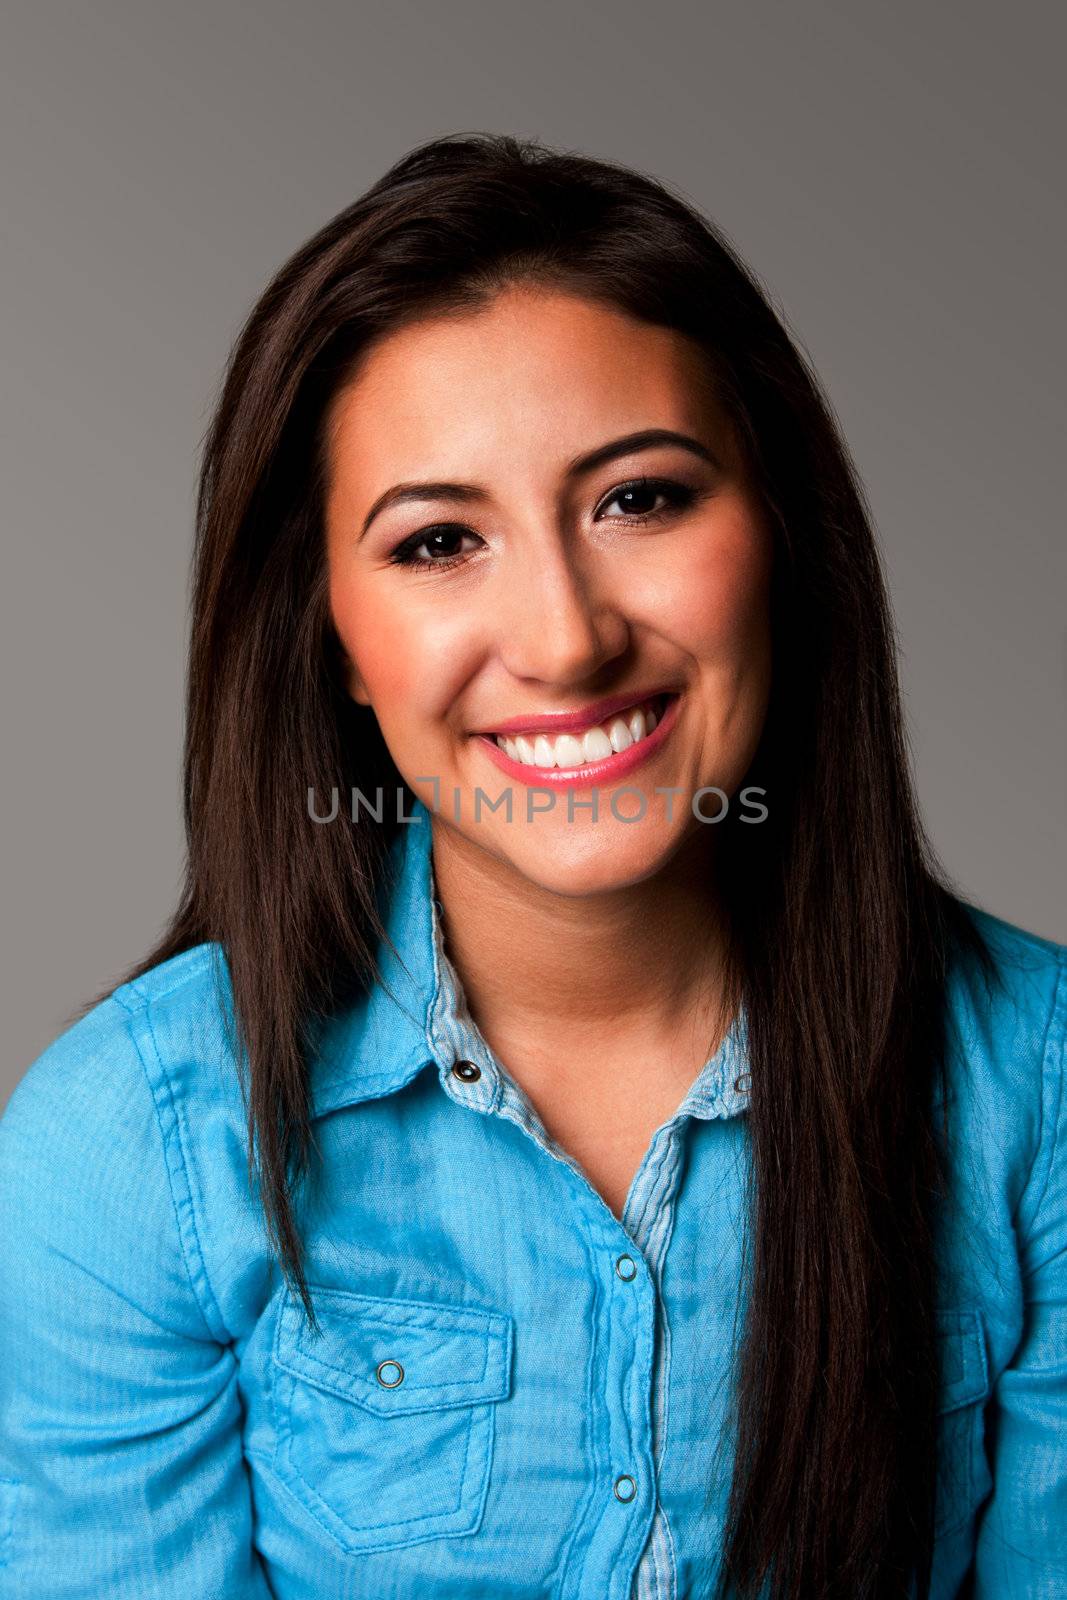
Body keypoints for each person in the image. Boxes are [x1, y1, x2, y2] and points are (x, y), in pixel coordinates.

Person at [0, 132, 1062, 1600]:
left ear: (785, 541)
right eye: (439, 542)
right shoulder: (132, 1151)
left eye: (641, 498)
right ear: (336, 641)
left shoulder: (1039, 1091)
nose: (566, 639)